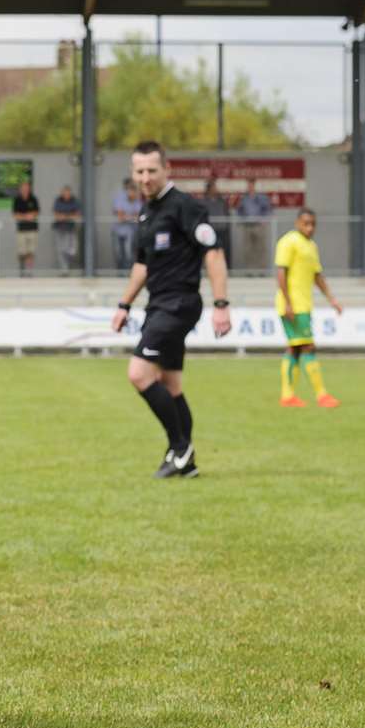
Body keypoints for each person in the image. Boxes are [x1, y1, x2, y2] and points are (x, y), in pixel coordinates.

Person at [110, 141, 231, 478]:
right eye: (139, 171)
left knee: (138, 373)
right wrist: (124, 305)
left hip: (179, 304)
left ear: (167, 169)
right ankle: (185, 461)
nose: (145, 177)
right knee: (171, 384)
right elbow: (142, 265)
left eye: (152, 170)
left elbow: (214, 253)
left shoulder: (184, 206)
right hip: (158, 305)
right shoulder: (147, 211)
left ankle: (180, 446)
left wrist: (221, 305)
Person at [275, 208, 344, 408]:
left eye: (313, 224)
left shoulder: (311, 246)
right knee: (308, 347)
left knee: (295, 348)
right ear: (297, 223)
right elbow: (281, 273)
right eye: (306, 223)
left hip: (304, 305)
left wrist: (332, 299)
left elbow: (317, 276)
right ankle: (321, 395)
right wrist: (287, 302)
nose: (310, 227)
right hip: (293, 305)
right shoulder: (288, 241)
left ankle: (288, 396)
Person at [236, 178, 273, 271]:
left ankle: (261, 270)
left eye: (251, 185)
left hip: (258, 226)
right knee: (248, 249)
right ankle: (250, 270)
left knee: (260, 248)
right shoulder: (244, 198)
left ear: (255, 186)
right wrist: (242, 220)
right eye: (249, 185)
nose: (250, 187)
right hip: (248, 226)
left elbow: (268, 209)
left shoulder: (261, 197)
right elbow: (239, 211)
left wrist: (264, 220)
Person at [11, 180, 40, 277]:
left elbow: (36, 213)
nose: (25, 190)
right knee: (22, 251)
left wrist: (26, 216)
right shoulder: (17, 200)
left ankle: (29, 271)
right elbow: (15, 215)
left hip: (32, 229)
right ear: (20, 189)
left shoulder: (33, 199)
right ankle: (22, 270)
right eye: (23, 188)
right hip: (21, 229)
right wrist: (26, 216)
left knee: (30, 251)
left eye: (27, 188)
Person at [52, 184, 81, 274]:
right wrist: (69, 216)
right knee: (61, 249)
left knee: (71, 250)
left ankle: (67, 266)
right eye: (64, 193)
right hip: (59, 228)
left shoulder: (74, 201)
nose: (66, 194)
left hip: (70, 228)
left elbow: (77, 215)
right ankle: (64, 270)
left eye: (68, 193)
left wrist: (64, 216)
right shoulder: (58, 200)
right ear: (62, 193)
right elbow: (57, 216)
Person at [111, 178, 139, 272]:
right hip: (117, 230)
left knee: (129, 253)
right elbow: (120, 215)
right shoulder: (120, 197)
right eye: (129, 189)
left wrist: (127, 216)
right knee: (118, 253)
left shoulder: (137, 200)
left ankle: (128, 273)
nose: (131, 192)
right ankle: (120, 273)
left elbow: (137, 215)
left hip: (130, 231)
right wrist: (130, 217)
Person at [201, 178, 231, 264]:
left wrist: (226, 227)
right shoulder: (204, 202)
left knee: (222, 251)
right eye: (214, 187)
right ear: (209, 188)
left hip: (222, 230)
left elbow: (226, 214)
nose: (216, 189)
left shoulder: (221, 201)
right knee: (210, 252)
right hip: (210, 231)